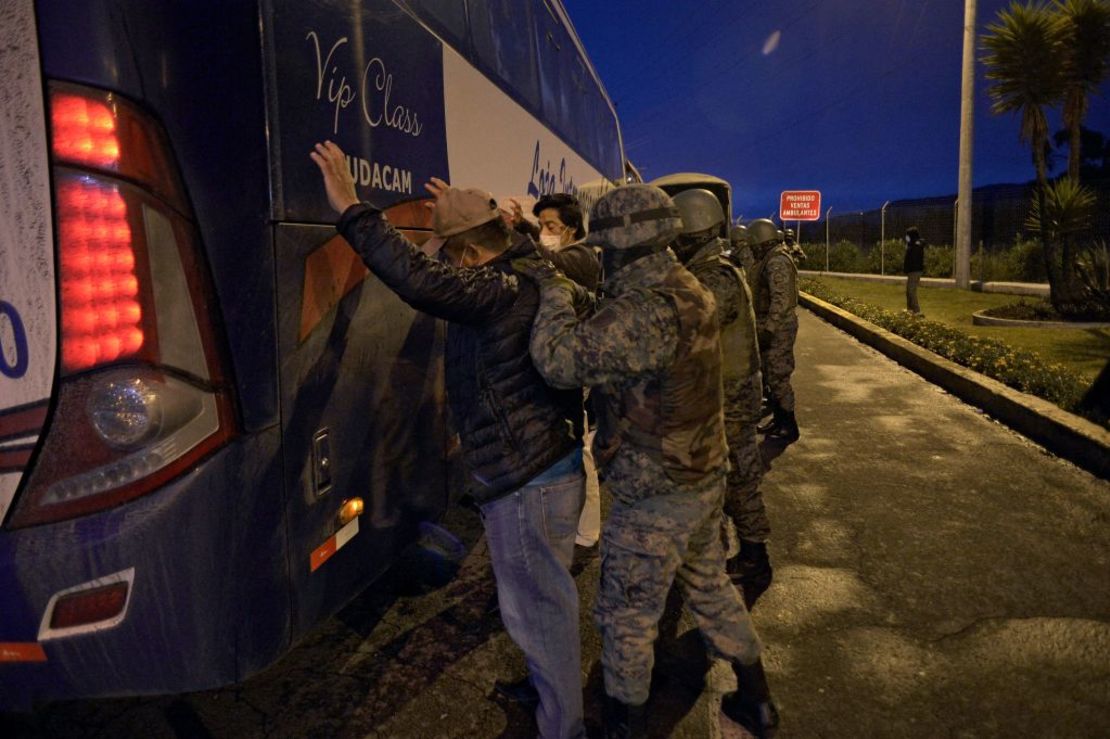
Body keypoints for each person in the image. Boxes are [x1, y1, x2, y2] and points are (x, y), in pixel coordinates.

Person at [311, 141, 587, 739]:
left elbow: (417, 279)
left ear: (468, 251)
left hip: (524, 478)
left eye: (450, 251)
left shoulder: (494, 290)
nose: (446, 262)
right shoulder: (530, 268)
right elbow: (457, 257)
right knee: (545, 603)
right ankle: (550, 697)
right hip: (551, 464)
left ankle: (563, 726)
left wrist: (353, 207)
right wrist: (455, 215)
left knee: (538, 614)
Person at [522, 185, 779, 739]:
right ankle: (756, 698)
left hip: (656, 492)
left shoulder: (648, 309)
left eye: (607, 248)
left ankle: (624, 725)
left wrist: (551, 293)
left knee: (625, 617)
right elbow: (616, 329)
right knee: (710, 590)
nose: (603, 257)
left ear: (625, 245)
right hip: (700, 477)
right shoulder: (682, 288)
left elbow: (558, 361)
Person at [672, 189, 774, 610]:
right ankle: (748, 554)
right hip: (726, 394)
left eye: (679, 234)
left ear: (695, 230)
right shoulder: (709, 268)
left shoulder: (715, 276)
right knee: (734, 478)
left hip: (729, 398)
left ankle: (755, 559)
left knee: (738, 479)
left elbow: (688, 327)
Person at [531, 193, 603, 549]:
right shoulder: (567, 255)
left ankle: (588, 530)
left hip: (579, 371)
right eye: (540, 225)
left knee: (583, 451)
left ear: (572, 229)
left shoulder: (582, 257)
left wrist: (515, 229)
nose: (544, 232)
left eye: (551, 226)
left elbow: (545, 261)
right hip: (565, 367)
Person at [748, 219, 800, 443]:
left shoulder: (776, 261)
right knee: (770, 373)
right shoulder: (769, 258)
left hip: (778, 326)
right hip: (772, 323)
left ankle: (789, 426)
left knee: (778, 375)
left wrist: (769, 329)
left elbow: (781, 299)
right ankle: (779, 419)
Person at [904, 226, 925, 315]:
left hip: (915, 271)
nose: (906, 237)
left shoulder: (916, 246)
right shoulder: (912, 245)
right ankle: (910, 309)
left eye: (908, 235)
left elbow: (913, 259)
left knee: (911, 290)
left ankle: (917, 311)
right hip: (912, 271)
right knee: (908, 290)